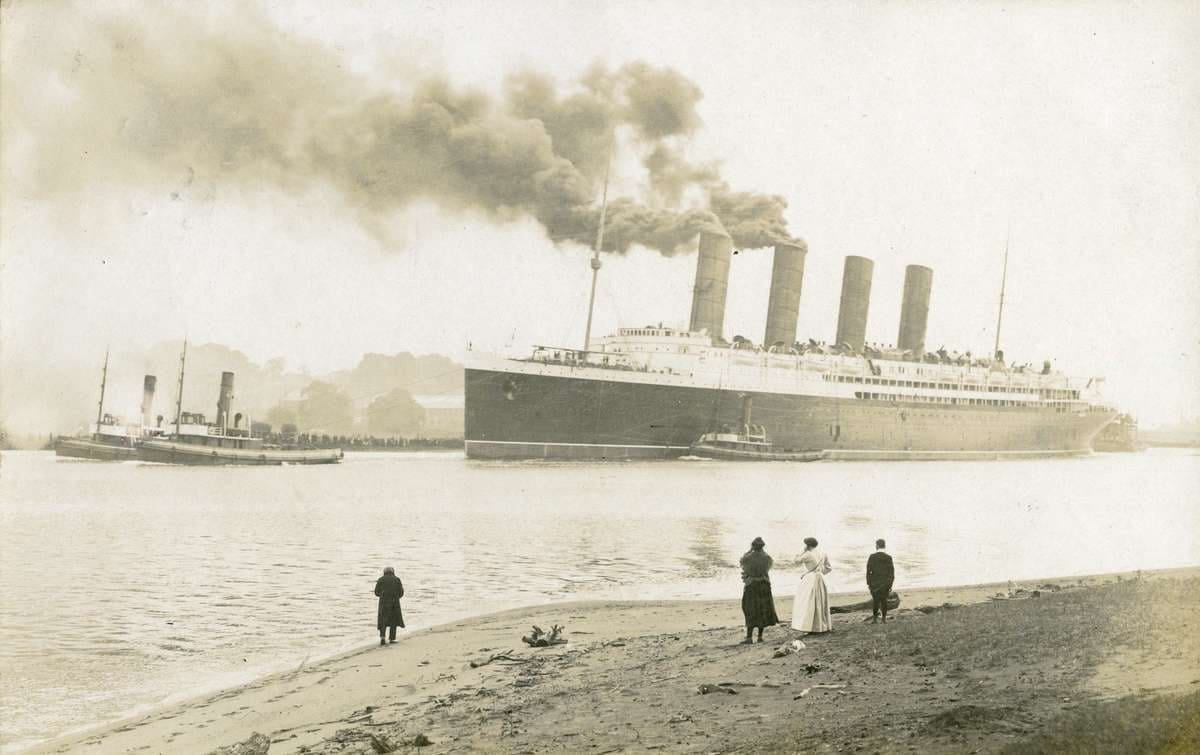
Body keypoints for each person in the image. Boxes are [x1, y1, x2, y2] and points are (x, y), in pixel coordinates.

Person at [738, 537, 780, 644]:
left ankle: (749, 637)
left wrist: (749, 550)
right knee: (763, 610)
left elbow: (742, 564)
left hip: (752, 585)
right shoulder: (767, 558)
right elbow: (767, 569)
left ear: (753, 546)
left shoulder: (747, 558)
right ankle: (760, 637)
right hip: (764, 585)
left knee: (750, 609)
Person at [791, 536, 833, 634]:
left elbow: (796, 561)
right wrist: (820, 572)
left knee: (808, 602)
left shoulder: (807, 554)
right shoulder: (823, 553)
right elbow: (829, 568)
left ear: (807, 545)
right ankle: (822, 626)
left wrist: (802, 552)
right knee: (820, 602)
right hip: (820, 578)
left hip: (810, 579)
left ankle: (812, 627)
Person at [866, 539, 895, 624]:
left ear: (877, 546)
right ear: (884, 546)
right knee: (884, 601)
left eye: (876, 545)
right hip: (885, 584)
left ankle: (875, 619)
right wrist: (890, 585)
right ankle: (883, 619)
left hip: (874, 584)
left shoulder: (872, 557)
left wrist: (869, 583)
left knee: (875, 601)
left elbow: (868, 572)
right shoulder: (888, 557)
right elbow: (891, 573)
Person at [374, 566, 405, 645]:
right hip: (394, 602)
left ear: (384, 572)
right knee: (393, 621)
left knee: (382, 620)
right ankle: (392, 638)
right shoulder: (397, 579)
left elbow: (376, 592)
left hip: (383, 603)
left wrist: (382, 595)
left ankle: (382, 637)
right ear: (393, 572)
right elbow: (401, 592)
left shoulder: (380, 579)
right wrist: (396, 597)